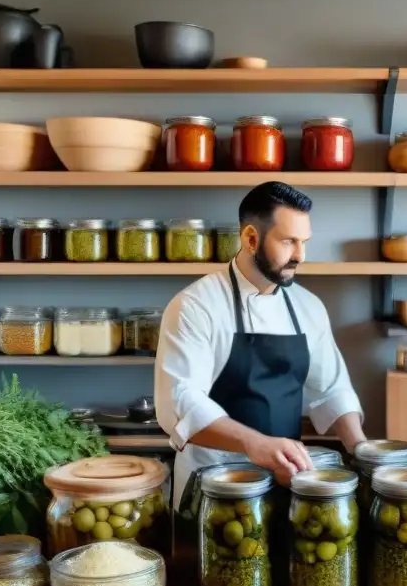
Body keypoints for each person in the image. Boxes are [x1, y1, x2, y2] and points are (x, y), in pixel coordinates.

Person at [155, 180, 366, 506]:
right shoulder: (195, 306)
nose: (300, 255)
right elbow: (182, 404)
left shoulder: (308, 306)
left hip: (287, 481)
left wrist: (362, 452)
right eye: (288, 242)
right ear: (250, 239)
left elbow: (332, 389)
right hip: (214, 486)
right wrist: (255, 444)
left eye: (304, 242)